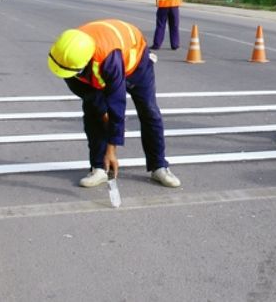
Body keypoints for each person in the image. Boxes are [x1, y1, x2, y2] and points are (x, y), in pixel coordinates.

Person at [47, 19, 181, 188]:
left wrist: (112, 151)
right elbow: (85, 92)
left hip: (136, 63)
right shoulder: (66, 54)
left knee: (149, 110)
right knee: (93, 112)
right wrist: (102, 112)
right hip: (101, 60)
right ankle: (99, 168)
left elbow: (117, 106)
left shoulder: (110, 60)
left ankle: (159, 166)